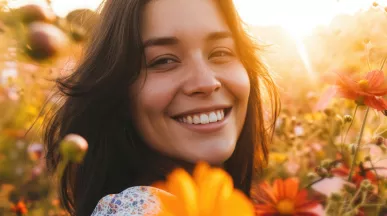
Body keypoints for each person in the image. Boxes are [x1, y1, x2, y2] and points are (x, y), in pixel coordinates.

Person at [43, 0, 280, 215]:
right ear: (119, 91)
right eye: (164, 60)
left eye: (221, 52)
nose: (206, 83)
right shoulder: (138, 209)